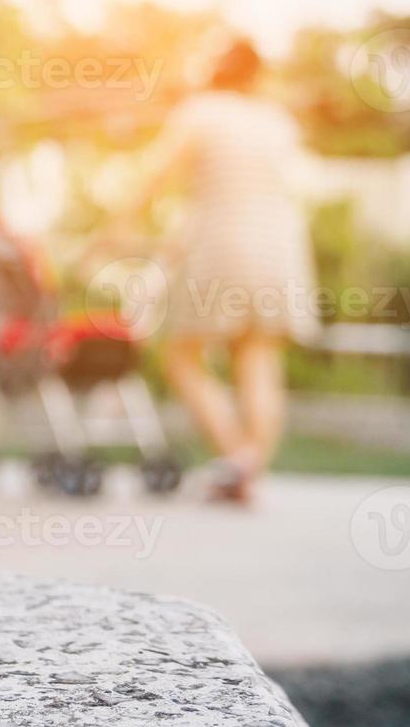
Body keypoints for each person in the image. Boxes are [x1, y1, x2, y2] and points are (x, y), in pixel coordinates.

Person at [90, 38, 318, 503]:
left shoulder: (201, 112)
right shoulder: (277, 121)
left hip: (223, 242)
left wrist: (112, 230)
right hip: (281, 247)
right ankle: (248, 468)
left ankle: (237, 459)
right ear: (258, 76)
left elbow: (156, 177)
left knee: (180, 352)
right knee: (259, 357)